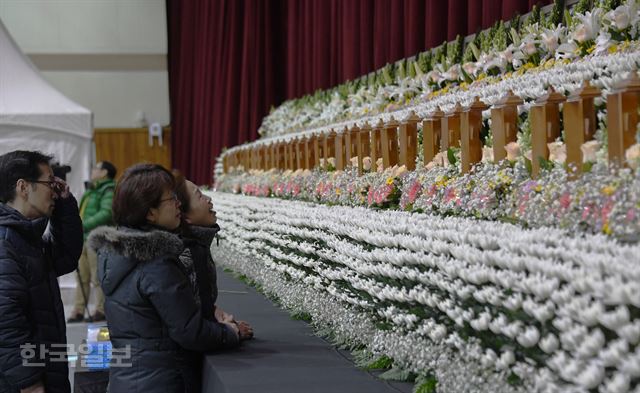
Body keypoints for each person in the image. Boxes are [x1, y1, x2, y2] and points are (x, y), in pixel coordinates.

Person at [88, 164, 240, 393]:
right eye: (171, 199)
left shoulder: (118, 254)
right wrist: (230, 332)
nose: (178, 204)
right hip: (160, 381)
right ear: (150, 212)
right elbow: (189, 331)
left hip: (128, 380)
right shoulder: (156, 261)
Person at [0, 151, 83, 393]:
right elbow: (5, 324)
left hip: (46, 368)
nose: (54, 189)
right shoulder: (6, 242)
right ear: (23, 187)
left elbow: (66, 257)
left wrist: (65, 206)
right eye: (49, 182)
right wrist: (29, 383)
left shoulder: (26, 237)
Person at [68, 161, 117, 323]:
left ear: (104, 173)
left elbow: (106, 213)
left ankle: (101, 309)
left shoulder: (108, 189)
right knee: (81, 277)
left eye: (96, 168)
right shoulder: (92, 190)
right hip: (82, 238)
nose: (93, 170)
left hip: (97, 239)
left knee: (98, 276)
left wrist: (82, 225)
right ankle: (79, 310)